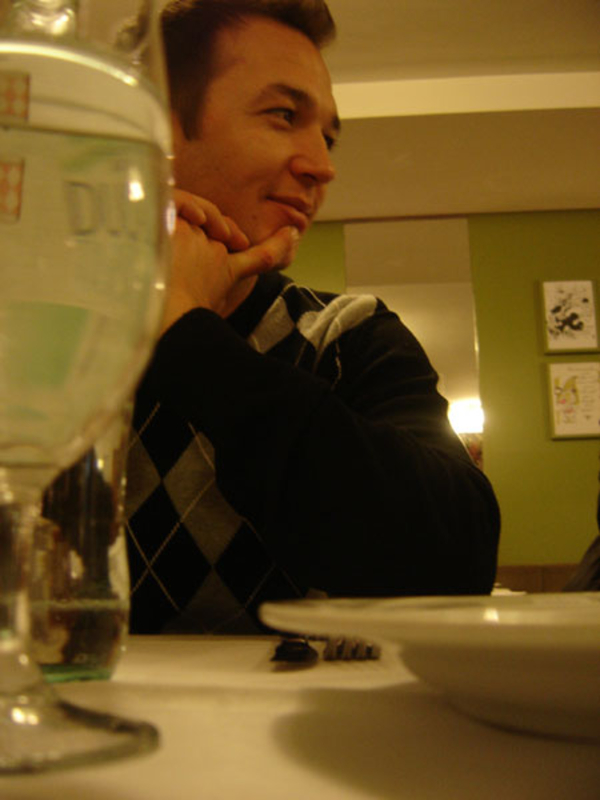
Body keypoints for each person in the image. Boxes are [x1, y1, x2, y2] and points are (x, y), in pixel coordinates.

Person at [124, 0, 501, 634]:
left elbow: (456, 568)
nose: (323, 167)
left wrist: (188, 337)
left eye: (326, 137)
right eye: (283, 115)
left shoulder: (349, 334)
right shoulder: (41, 329)